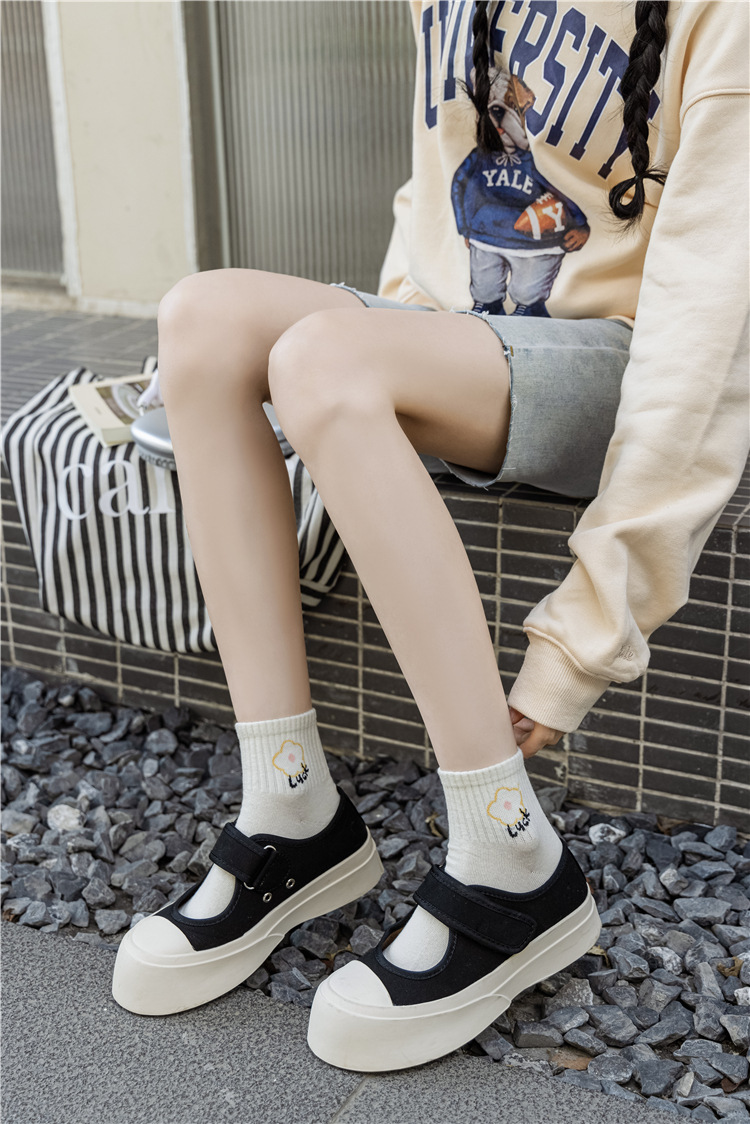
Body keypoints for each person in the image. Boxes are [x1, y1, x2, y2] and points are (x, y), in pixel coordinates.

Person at [112, 0, 749, 1073]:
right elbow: (433, 202)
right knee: (200, 319)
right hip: (473, 340)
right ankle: (291, 806)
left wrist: (585, 634)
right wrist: (375, 375)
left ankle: (513, 856)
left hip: (619, 360)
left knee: (322, 359)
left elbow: (711, 327)